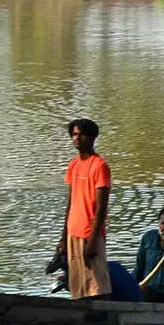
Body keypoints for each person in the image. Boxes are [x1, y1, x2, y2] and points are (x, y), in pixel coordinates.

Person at [57, 118, 111, 299]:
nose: (77, 138)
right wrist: (63, 237)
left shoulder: (99, 166)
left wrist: (93, 240)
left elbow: (101, 207)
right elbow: (71, 202)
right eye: (74, 134)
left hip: (90, 233)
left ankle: (103, 314)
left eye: (81, 134)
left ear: (92, 137)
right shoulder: (74, 164)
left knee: (97, 286)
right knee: (78, 286)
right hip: (73, 232)